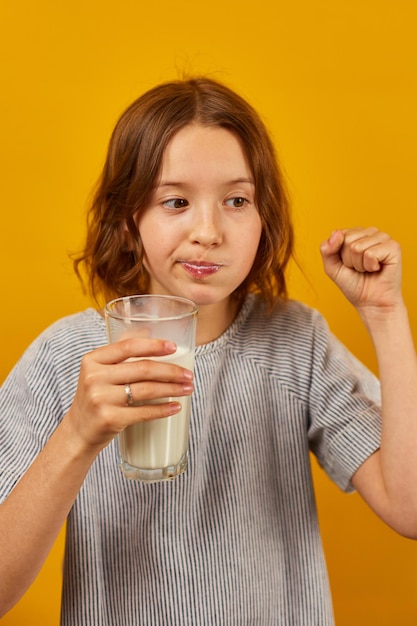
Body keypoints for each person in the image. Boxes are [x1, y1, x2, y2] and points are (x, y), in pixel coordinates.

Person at [0, 77, 416, 626]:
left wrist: (385, 315)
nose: (208, 230)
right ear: (130, 221)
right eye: (175, 201)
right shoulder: (65, 357)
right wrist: (77, 434)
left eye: (236, 200)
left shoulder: (295, 341)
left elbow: (409, 508)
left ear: (262, 217)